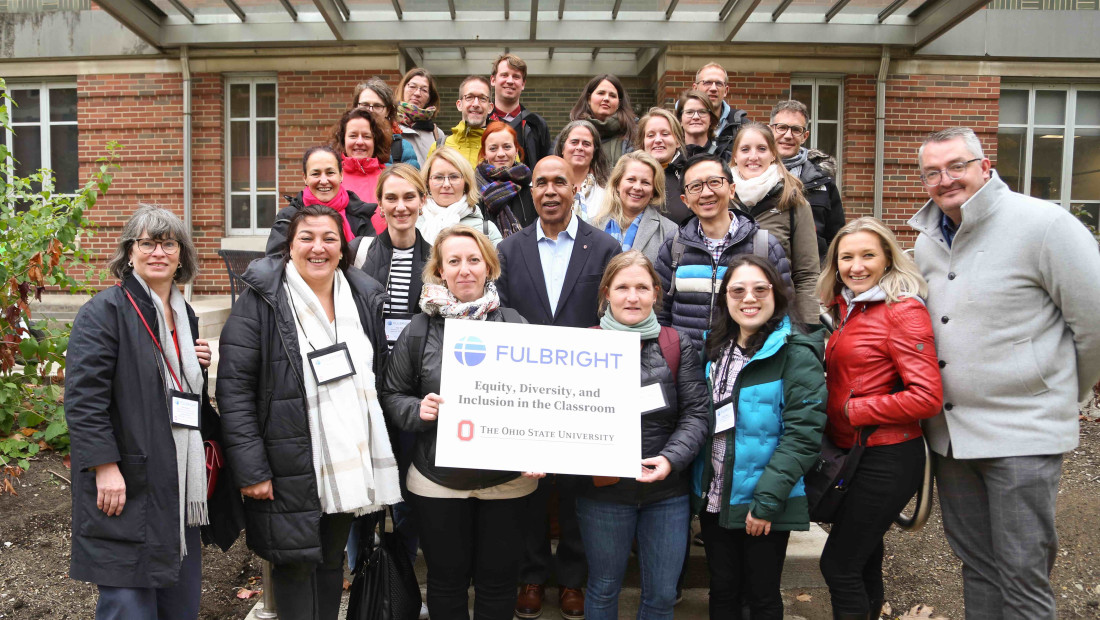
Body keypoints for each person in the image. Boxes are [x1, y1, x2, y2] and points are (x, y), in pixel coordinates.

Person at [908, 127, 1100, 620]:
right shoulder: (927, 239)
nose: (945, 179)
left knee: (1022, 573)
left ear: (984, 165)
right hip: (951, 438)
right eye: (932, 172)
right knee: (977, 566)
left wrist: (1061, 394)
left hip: (1023, 434)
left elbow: (1094, 325)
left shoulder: (1045, 225)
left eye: (956, 166)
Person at [218, 205, 400, 620]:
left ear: (343, 247)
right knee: (295, 562)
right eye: (307, 238)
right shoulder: (260, 300)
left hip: (347, 459)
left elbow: (378, 374)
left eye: (329, 239)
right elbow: (234, 389)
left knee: (332, 558)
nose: (318, 248)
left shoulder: (363, 295)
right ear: (289, 247)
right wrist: (251, 468)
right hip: (286, 459)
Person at [65, 205, 222, 620]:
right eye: (147, 242)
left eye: (168, 243)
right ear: (129, 253)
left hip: (178, 484)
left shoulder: (185, 315)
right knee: (129, 606)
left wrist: (196, 366)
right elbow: (84, 400)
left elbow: (176, 392)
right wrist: (104, 466)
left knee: (179, 604)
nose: (158, 252)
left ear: (181, 254)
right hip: (128, 482)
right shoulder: (105, 312)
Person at [379, 225, 541, 620]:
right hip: (438, 482)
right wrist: (417, 410)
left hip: (507, 483)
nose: (465, 269)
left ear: (489, 267)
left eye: (473, 260)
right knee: (446, 582)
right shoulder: (418, 330)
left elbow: (538, 401)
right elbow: (391, 395)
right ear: (440, 271)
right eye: (454, 261)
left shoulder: (516, 325)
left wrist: (541, 448)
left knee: (499, 582)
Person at [496, 156, 622, 620]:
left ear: (576, 189)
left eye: (560, 183)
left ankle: (573, 579)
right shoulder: (508, 251)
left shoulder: (604, 247)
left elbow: (612, 314)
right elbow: (502, 315)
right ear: (531, 193)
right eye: (541, 183)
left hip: (582, 391)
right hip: (526, 389)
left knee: (575, 489)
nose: (550, 190)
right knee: (528, 487)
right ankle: (531, 576)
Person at [815, 217, 944, 620]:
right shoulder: (850, 308)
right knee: (864, 556)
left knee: (838, 565)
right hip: (856, 452)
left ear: (889, 258)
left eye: (868, 255)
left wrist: (855, 409)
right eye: (846, 257)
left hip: (887, 456)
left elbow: (927, 396)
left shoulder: (902, 310)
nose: (856, 266)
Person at [691, 254, 826, 620]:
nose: (748, 298)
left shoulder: (795, 353)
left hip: (763, 500)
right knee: (722, 591)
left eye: (759, 289)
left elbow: (803, 435)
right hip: (716, 495)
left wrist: (766, 501)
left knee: (762, 595)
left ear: (776, 294)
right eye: (738, 290)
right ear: (725, 299)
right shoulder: (714, 348)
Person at [576, 250, 709, 620]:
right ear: (606, 293)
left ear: (656, 293)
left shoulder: (675, 343)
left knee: (663, 594)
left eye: (641, 287)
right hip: (604, 493)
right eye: (622, 288)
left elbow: (697, 412)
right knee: (603, 589)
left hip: (665, 494)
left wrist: (670, 459)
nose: (631, 297)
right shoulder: (582, 345)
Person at [654, 153, 792, 352]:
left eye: (714, 182)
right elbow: (661, 311)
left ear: (732, 189)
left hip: (745, 362)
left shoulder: (763, 246)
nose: (706, 192)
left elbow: (782, 311)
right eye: (696, 186)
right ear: (685, 200)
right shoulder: (674, 245)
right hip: (686, 363)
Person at [729, 121, 820, 324]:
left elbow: (807, 274)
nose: (753, 156)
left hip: (778, 320)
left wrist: (810, 329)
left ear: (773, 154)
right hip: (728, 319)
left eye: (762, 149)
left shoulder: (794, 203)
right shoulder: (721, 201)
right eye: (745, 149)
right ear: (735, 156)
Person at [359, 164, 433, 345]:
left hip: (415, 367)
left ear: (422, 201)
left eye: (409, 197)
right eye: (391, 198)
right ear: (380, 204)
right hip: (372, 365)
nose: (401, 207)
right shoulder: (359, 252)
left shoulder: (436, 259)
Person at [266, 145, 378, 256]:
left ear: (341, 175)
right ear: (305, 178)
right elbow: (275, 263)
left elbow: (372, 262)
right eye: (315, 174)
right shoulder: (288, 218)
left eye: (330, 173)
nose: (324, 181)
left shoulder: (360, 216)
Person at [769, 100, 844, 263]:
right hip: (765, 272)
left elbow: (837, 238)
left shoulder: (823, 181)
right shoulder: (750, 176)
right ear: (770, 131)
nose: (788, 135)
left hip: (813, 275)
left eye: (796, 129)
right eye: (781, 127)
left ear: (805, 136)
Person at [591, 151, 675, 264]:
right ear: (617, 184)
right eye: (631, 179)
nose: (637, 187)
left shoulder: (670, 232)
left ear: (653, 191)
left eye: (645, 182)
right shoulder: (590, 227)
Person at [419, 146, 503, 246]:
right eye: (438, 177)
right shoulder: (411, 226)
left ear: (466, 183)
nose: (446, 184)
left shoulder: (487, 231)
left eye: (454, 177)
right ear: (427, 182)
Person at [331, 107, 391, 234]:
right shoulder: (331, 179)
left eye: (366, 136)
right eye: (353, 136)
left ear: (375, 141)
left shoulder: (390, 178)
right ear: (343, 140)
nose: (359, 142)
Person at [488, 53, 552, 170]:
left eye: (516, 76)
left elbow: (546, 166)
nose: (510, 81)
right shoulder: (483, 121)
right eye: (504, 75)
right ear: (493, 80)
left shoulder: (536, 123)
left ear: (523, 84)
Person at [475, 121, 537, 236]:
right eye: (493, 148)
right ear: (484, 153)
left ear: (516, 151)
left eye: (507, 147)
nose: (501, 154)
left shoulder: (533, 187)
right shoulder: (473, 191)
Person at [351, 77, 421, 170]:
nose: (370, 111)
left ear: (388, 111)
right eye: (365, 105)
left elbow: (412, 183)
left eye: (377, 106)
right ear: (356, 107)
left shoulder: (402, 148)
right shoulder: (342, 145)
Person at [637, 107, 691, 225]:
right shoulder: (629, 176)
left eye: (665, 134)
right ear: (643, 143)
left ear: (677, 141)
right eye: (650, 135)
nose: (657, 140)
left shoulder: (691, 175)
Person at [570, 74, 636, 166]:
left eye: (612, 95)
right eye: (601, 93)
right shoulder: (570, 133)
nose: (606, 99)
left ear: (619, 103)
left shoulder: (634, 134)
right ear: (589, 99)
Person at [553, 119, 610, 221]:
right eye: (574, 142)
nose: (580, 147)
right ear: (562, 148)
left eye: (586, 144)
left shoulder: (608, 191)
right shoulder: (545, 186)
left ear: (594, 151)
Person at [433, 75, 492, 168]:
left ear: (490, 107)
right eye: (469, 97)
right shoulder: (439, 147)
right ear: (459, 105)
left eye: (482, 98)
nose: (476, 104)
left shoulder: (502, 149)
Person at [396, 68, 447, 167]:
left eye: (424, 90)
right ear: (403, 88)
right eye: (412, 86)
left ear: (429, 98)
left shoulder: (437, 134)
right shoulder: (389, 126)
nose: (417, 93)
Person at [693, 63, 748, 155]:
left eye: (719, 83)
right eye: (707, 82)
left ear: (726, 91)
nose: (713, 88)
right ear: (695, 88)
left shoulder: (743, 127)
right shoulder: (678, 125)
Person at [679, 90, 726, 160]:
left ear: (711, 119)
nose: (696, 117)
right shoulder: (672, 156)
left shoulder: (724, 156)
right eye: (689, 112)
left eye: (702, 112)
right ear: (680, 120)